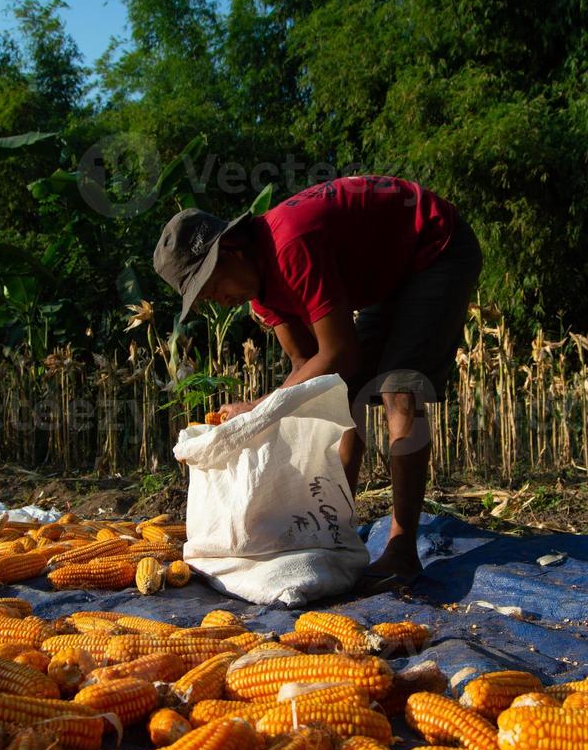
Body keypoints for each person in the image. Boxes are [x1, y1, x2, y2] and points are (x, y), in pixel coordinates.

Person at [153, 175, 482, 586]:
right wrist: (255, 421)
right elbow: (311, 367)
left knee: (400, 387)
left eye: (213, 286)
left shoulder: (290, 245)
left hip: (434, 246)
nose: (218, 301)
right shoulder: (261, 291)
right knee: (343, 391)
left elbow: (339, 351)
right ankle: (335, 528)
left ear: (232, 251)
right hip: (390, 271)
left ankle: (401, 547)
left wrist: (255, 407)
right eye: (205, 299)